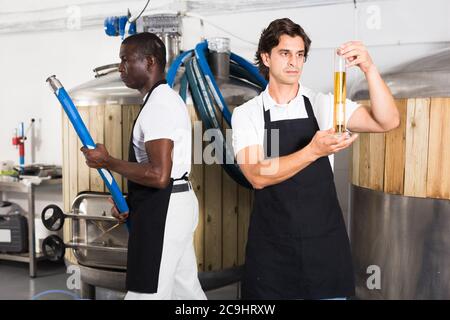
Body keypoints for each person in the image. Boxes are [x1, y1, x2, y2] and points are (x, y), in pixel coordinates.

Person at [231, 18, 399, 299]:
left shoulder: (323, 104)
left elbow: (387, 121)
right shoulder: (248, 113)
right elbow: (257, 175)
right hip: (272, 254)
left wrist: (369, 68)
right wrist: (314, 150)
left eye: (300, 55)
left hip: (324, 248)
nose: (294, 62)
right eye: (285, 53)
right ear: (266, 57)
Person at [81, 32, 206, 300]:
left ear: (149, 62)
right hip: (173, 203)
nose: (120, 67)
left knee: (145, 293)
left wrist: (108, 161)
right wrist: (133, 202)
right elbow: (161, 173)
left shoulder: (159, 105)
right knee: (186, 292)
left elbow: (159, 175)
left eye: (126, 60)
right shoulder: (163, 100)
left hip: (165, 209)